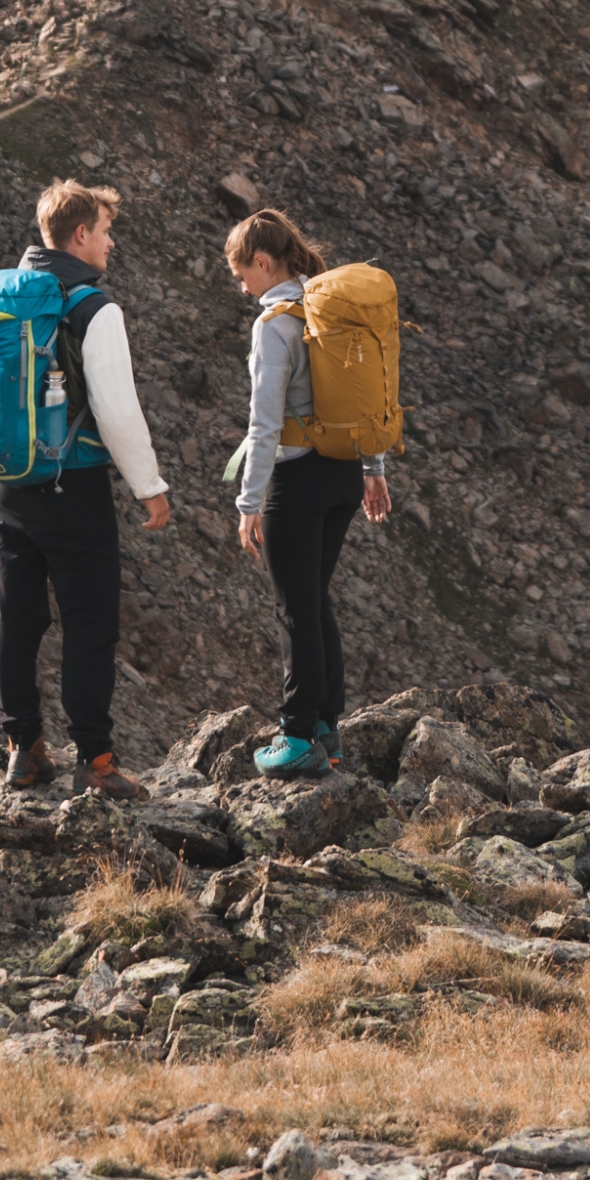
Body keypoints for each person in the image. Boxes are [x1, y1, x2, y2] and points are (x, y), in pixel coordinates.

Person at [0, 178, 170, 799]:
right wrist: (150, 486)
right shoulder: (93, 307)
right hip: (75, 485)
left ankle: (22, 748)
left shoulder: (5, 295)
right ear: (80, 235)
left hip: (10, 483)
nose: (112, 243)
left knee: (17, 615)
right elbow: (119, 412)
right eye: (105, 230)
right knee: (89, 622)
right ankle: (95, 760)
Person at [228, 209, 392, 778]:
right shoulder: (330, 312)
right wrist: (374, 466)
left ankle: (296, 736)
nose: (239, 282)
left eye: (241, 270)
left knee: (295, 609)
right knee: (316, 601)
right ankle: (327, 728)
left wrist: (249, 504)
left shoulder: (274, 324)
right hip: (344, 475)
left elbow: (263, 425)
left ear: (263, 262)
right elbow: (363, 395)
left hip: (294, 482)